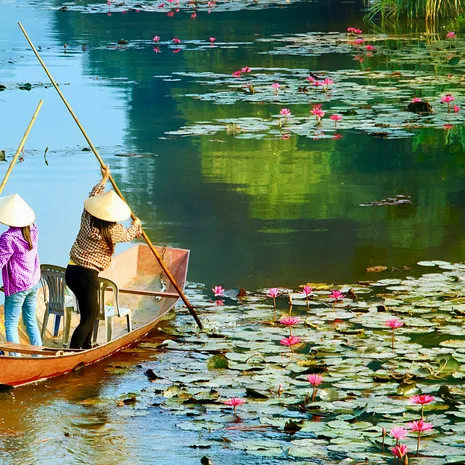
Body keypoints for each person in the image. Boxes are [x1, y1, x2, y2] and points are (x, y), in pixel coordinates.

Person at [66, 165, 142, 349]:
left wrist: (103, 179)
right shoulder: (114, 230)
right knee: (89, 317)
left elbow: (91, 197)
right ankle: (74, 352)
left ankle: (86, 347)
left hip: (71, 271)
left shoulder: (86, 218)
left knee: (89, 314)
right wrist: (137, 224)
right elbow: (130, 234)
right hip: (87, 276)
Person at [0, 194, 42, 349]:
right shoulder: (34, 229)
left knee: (10, 323)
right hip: (33, 281)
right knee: (30, 321)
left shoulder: (8, 238)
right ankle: (38, 354)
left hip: (18, 286)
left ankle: (14, 357)